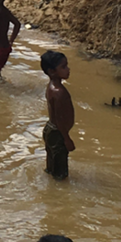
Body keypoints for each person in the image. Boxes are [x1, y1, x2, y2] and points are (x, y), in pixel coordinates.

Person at [42, 51, 76, 179]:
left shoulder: (51, 87)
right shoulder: (60, 93)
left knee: (52, 167)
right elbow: (60, 118)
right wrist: (67, 138)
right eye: (63, 67)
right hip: (58, 133)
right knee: (60, 175)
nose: (68, 69)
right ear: (52, 72)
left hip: (51, 130)